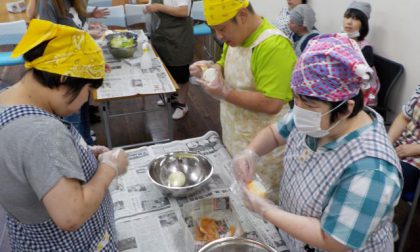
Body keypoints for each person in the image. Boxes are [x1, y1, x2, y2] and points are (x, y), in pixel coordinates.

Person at [233, 33, 402, 251]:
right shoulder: (314, 112)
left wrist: (265, 210)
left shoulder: (372, 171)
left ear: (346, 109)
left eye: (309, 104)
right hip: (295, 237)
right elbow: (275, 134)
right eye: (296, 98)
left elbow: (334, 240)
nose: (298, 109)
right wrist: (251, 152)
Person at [0, 19, 129, 251]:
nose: (84, 101)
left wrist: (81, 155)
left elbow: (30, 164)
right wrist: (109, 168)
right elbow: (71, 214)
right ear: (63, 78)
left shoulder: (7, 100)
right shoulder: (41, 131)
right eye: (87, 91)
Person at [190, 0, 296, 201]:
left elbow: (272, 103)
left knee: (261, 205)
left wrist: (224, 93)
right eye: (214, 30)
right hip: (236, 137)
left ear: (242, 15)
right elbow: (225, 63)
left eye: (222, 29)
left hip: (263, 153)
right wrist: (211, 68)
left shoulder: (272, 46)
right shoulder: (236, 39)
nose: (218, 37)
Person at [38, 0, 110, 144]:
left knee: (83, 110)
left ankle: (88, 144)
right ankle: (81, 150)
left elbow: (77, 26)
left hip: (81, 66)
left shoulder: (76, 2)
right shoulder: (48, 3)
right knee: (73, 120)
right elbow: (50, 40)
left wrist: (93, 58)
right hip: (66, 71)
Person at [144, 0, 194, 120]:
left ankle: (182, 105)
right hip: (163, 35)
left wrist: (158, 7)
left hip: (178, 35)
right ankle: (172, 96)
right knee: (167, 68)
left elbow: (183, 11)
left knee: (180, 72)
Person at [342, 1, 380, 106]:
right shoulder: (340, 40)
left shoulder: (365, 49)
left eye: (355, 18)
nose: (349, 22)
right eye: (347, 17)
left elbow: (364, 82)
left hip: (360, 95)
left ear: (363, 24)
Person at [389, 85, 420, 202]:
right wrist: (388, 141)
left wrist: (415, 149)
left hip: (416, 159)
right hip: (401, 144)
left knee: (387, 178)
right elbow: (404, 118)